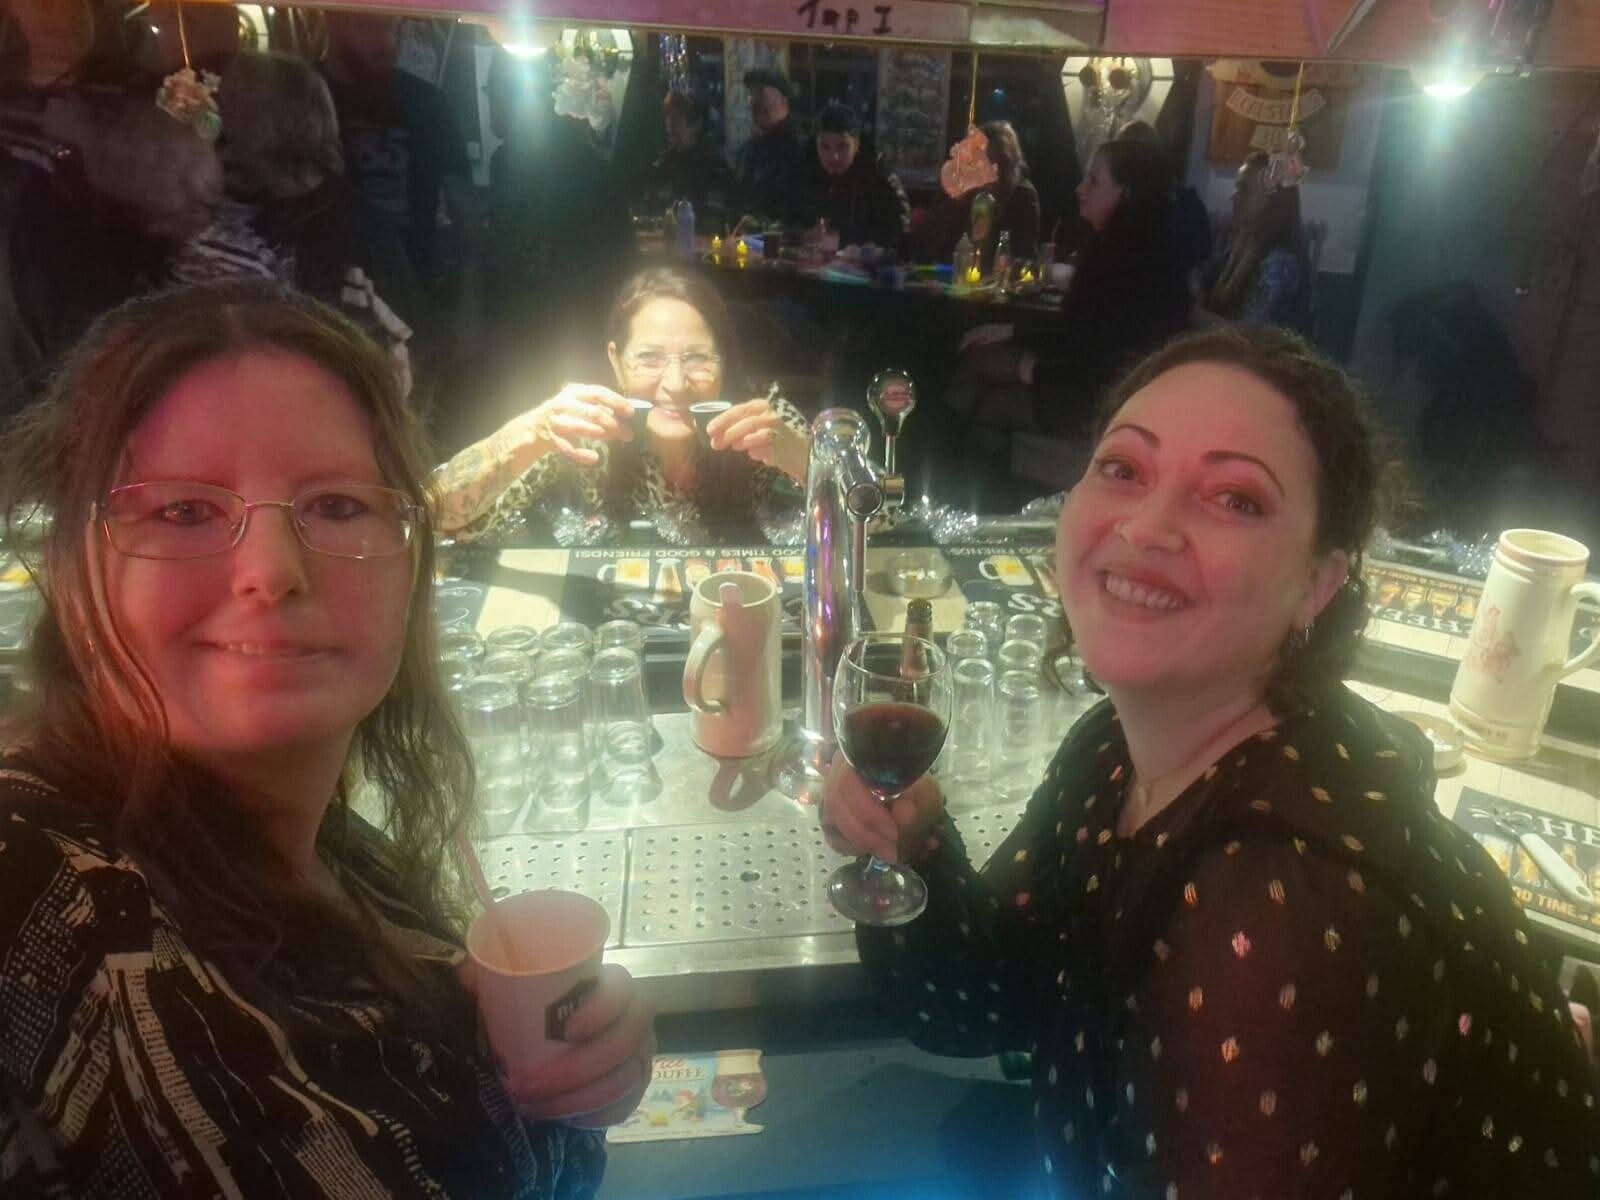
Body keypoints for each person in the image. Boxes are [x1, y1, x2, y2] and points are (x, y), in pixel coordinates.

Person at [824, 325, 1600, 1197]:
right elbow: (979, 1005)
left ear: (1318, 584)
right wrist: (912, 845)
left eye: (1235, 499)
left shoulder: (1279, 912)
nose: (1148, 527)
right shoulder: (1117, 754)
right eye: (1124, 468)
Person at [0, 281, 655, 1197]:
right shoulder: (34, 880)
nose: (272, 571)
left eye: (337, 506)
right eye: (184, 511)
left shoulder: (338, 856)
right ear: (75, 561)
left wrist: (573, 1082)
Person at [435, 266, 810, 544]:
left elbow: (851, 519)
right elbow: (436, 515)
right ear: (616, 361)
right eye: (649, 358)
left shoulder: (761, 420)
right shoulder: (588, 424)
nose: (676, 384)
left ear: (723, 362)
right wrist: (532, 431)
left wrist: (805, 460)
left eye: (697, 358)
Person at [172, 50, 429, 399]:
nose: (217, 121)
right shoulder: (259, 209)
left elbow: (396, 361)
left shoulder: (348, 234)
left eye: (226, 107)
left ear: (258, 127)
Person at [947, 136, 1192, 458]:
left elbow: (1103, 352)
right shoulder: (1141, 247)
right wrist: (1013, 333)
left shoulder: (1124, 258)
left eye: (1094, 181)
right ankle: (953, 463)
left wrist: (1033, 367)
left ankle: (942, 463)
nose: (1080, 189)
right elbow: (1084, 331)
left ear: (1126, 193)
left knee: (982, 394)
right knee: (976, 358)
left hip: (1096, 401)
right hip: (1092, 385)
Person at [321, 11, 471, 288]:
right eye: (369, 25)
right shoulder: (302, 98)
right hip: (325, 282)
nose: (387, 41)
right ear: (332, 19)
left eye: (394, 26)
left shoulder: (426, 102)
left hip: (413, 284)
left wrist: (469, 300)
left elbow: (464, 214)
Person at [1204, 151, 1313, 334]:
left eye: (1243, 189)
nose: (1233, 196)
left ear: (1273, 200)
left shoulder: (1280, 262)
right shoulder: (1245, 243)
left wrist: (1192, 313)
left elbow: (1251, 336)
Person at [787, 100, 910, 251]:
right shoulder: (804, 168)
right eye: (825, 147)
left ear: (856, 145)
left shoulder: (877, 172)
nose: (834, 157)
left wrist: (843, 239)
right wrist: (801, 234)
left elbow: (899, 230)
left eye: (842, 147)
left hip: (864, 262)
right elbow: (783, 219)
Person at [914, 120, 1040, 263]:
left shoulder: (1022, 196)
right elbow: (932, 246)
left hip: (996, 274)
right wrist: (953, 205)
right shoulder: (962, 188)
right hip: (952, 272)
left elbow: (1023, 256)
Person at [639, 90, 735, 228]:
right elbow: (649, 209)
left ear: (697, 124)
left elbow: (716, 219)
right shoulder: (663, 163)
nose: (670, 124)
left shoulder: (715, 166)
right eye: (668, 116)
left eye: (677, 118)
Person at [734, 66, 807, 223]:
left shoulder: (798, 149)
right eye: (751, 95)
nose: (754, 102)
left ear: (783, 101)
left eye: (761, 94)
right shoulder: (748, 150)